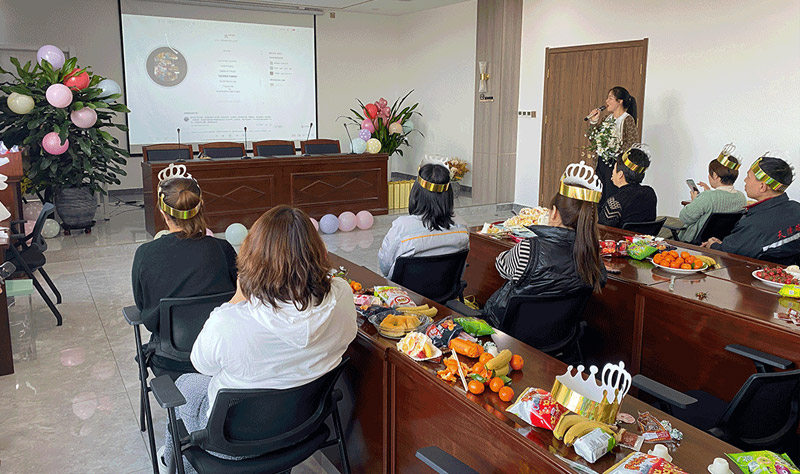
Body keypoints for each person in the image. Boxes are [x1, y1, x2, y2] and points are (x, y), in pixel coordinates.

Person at [160, 205, 358, 473]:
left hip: (233, 445)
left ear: (253, 258)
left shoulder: (230, 321)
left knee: (185, 384)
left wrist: (235, 299)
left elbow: (201, 364)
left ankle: (173, 462)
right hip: (303, 428)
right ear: (317, 251)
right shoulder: (342, 294)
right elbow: (348, 335)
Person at [132, 165, 237, 374]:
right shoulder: (223, 249)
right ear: (201, 206)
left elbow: (143, 307)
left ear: (163, 213)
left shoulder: (146, 253)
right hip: (221, 355)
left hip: (171, 363)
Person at [483, 161, 607, 327]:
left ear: (554, 213)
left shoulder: (529, 249)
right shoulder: (593, 257)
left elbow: (501, 266)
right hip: (559, 336)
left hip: (510, 334)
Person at [702, 155, 800, 264]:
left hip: (755, 272)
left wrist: (713, 245)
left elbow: (727, 253)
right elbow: (744, 245)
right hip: (789, 271)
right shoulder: (797, 208)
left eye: (748, 176)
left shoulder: (754, 224)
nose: (745, 180)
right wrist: (728, 243)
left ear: (762, 186)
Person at [378, 163, 469, 278]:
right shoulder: (462, 226)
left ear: (416, 193)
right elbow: (460, 270)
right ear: (449, 195)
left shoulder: (402, 227)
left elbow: (385, 266)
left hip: (403, 289)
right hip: (445, 289)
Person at [677, 146, 747, 243]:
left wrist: (695, 200)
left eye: (710, 174)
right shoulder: (741, 197)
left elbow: (684, 217)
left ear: (716, 176)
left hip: (695, 241)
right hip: (720, 241)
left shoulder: (708, 197)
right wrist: (707, 194)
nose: (708, 176)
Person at [587, 86, 639, 205]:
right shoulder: (607, 118)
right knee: (599, 196)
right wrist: (594, 121)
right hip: (601, 162)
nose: (607, 101)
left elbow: (632, 143)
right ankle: (599, 216)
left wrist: (616, 151)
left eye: (610, 98)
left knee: (611, 196)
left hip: (615, 164)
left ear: (619, 101)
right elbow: (593, 139)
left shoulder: (627, 119)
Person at [598, 145, 657, 228]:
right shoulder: (650, 193)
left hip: (622, 236)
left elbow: (601, 230)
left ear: (620, 174)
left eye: (614, 169)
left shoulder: (615, 203)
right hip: (644, 237)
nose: (612, 172)